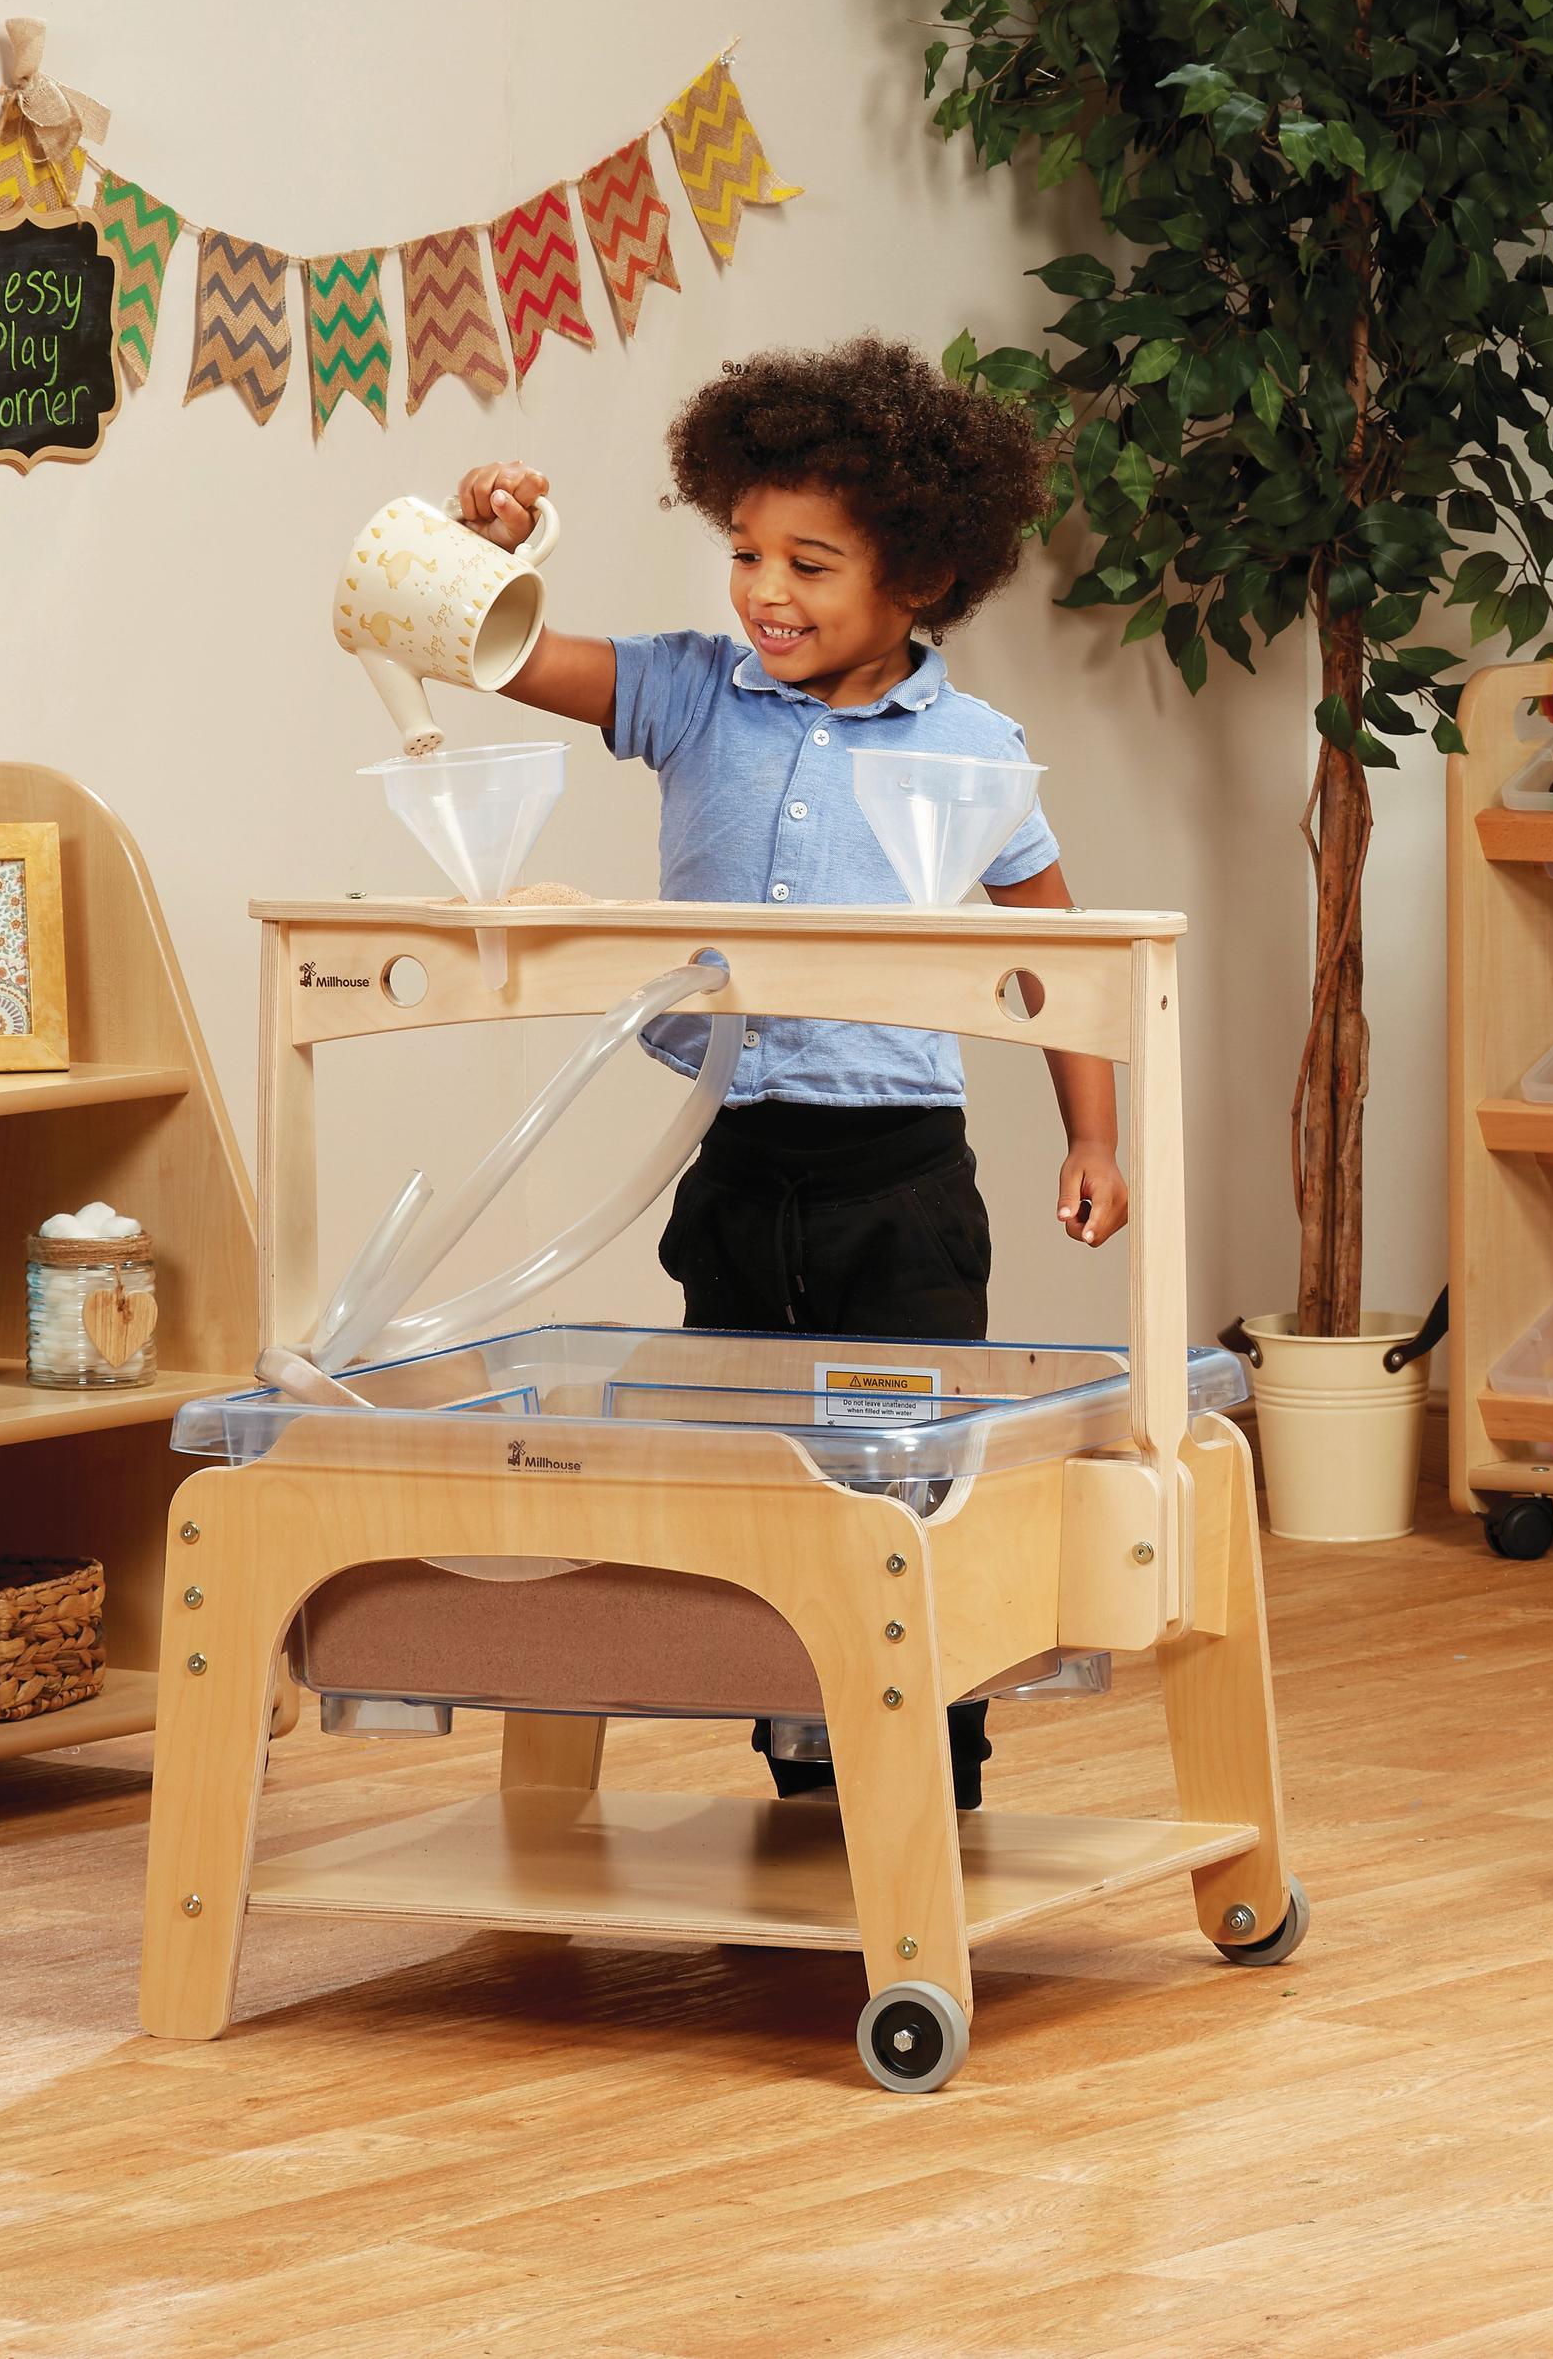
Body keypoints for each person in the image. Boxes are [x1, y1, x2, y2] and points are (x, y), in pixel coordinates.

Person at [443, 336, 1124, 1811]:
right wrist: (480, 548)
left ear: (920, 578)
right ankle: (802, 1741)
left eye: (811, 565)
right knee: (755, 1461)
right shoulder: (692, 696)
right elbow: (490, 650)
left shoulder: (976, 747)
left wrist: (1096, 1137)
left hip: (902, 1168)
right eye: (746, 553)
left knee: (914, 1464)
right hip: (737, 1151)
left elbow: (1060, 953)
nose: (765, 593)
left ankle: (934, 1757)